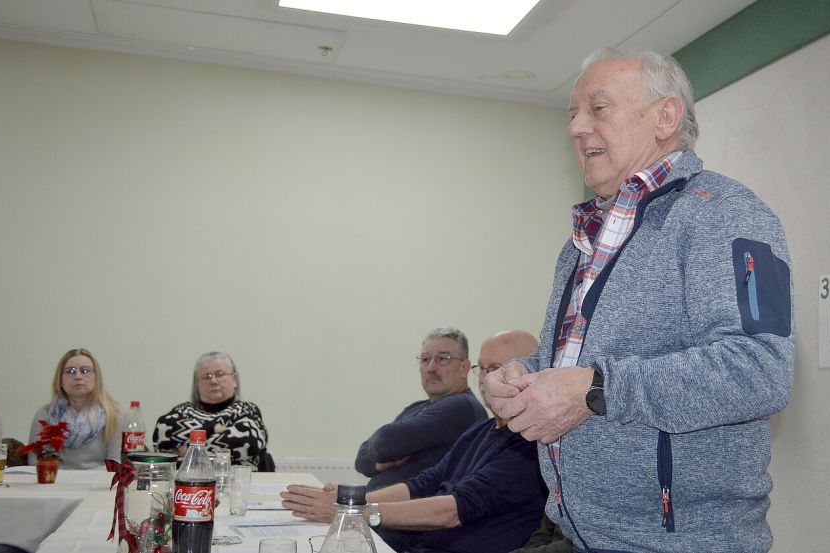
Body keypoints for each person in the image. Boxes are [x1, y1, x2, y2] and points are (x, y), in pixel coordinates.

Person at [486, 48, 795, 553]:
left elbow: (759, 372)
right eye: (572, 114)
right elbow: (574, 365)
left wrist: (597, 388)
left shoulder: (727, 215)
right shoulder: (582, 241)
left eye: (598, 109)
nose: (576, 128)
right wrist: (522, 376)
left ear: (665, 117)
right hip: (579, 535)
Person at [282, 330, 546, 553]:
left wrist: (351, 512)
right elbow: (423, 483)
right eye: (484, 368)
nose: (487, 379)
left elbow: (453, 511)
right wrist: (349, 500)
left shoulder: (532, 443)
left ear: (533, 371)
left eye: (498, 369)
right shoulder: (481, 430)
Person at [355, 327, 487, 491]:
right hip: (382, 510)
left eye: (442, 358)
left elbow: (384, 442)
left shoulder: (462, 407)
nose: (431, 367)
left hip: (416, 513)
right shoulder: (415, 408)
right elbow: (361, 460)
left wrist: (383, 455)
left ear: (464, 368)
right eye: (425, 359)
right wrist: (382, 460)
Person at [153, 351, 269, 468]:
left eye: (220, 374)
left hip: (238, 483)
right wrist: (212, 428)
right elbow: (163, 434)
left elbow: (248, 443)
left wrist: (188, 451)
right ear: (197, 383)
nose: (213, 381)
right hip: (190, 483)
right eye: (206, 376)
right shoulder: (183, 410)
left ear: (234, 380)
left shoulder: (246, 410)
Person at [26, 348, 122, 469]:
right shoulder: (45, 415)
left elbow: (114, 464)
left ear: (96, 378)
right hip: (54, 484)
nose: (78, 376)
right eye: (70, 371)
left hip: (97, 484)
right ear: (60, 379)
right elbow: (35, 461)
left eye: (85, 371)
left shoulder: (113, 416)